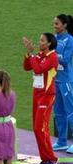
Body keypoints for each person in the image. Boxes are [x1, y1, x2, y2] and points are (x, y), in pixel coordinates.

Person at [22, 33, 59, 164]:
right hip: (37, 95)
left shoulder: (53, 57)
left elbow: (38, 69)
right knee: (38, 128)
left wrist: (32, 55)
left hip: (47, 95)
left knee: (40, 128)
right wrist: (28, 53)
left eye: (42, 40)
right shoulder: (40, 55)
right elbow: (27, 67)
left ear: (49, 43)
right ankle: (45, 159)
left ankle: (52, 160)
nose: (39, 42)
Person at [52, 14, 73, 153]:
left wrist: (52, 56)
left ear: (65, 25)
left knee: (70, 111)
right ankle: (61, 141)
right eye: (54, 24)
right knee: (58, 111)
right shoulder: (53, 38)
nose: (55, 26)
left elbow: (65, 60)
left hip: (66, 80)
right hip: (55, 79)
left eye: (57, 24)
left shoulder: (70, 40)